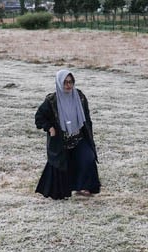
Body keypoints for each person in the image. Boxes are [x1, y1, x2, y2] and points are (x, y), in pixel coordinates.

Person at [35, 69, 100, 200]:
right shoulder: (51, 100)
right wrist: (50, 128)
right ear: (59, 83)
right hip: (61, 140)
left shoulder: (80, 97)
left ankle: (85, 188)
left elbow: (86, 117)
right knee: (60, 165)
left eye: (70, 82)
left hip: (78, 137)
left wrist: (89, 134)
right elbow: (39, 117)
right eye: (65, 82)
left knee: (88, 157)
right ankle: (59, 191)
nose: (68, 85)